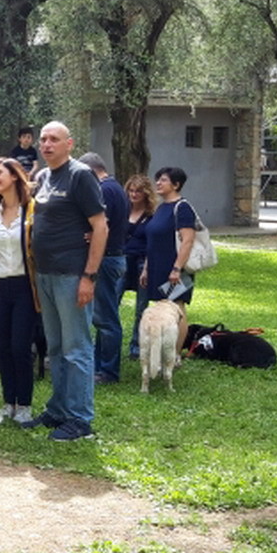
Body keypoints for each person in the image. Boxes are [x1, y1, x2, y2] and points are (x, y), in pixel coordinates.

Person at [20, 122, 107, 441]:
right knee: (55, 348)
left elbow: (100, 227)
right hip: (45, 274)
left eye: (54, 139)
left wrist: (89, 276)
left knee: (76, 349)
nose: (46, 144)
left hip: (72, 275)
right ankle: (58, 410)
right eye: (43, 139)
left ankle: (80, 419)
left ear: (69, 144)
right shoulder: (43, 177)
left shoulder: (80, 175)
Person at [0, 157, 39, 425]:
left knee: (20, 347)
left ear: (14, 176)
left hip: (25, 286)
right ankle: (7, 402)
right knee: (2, 347)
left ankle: (24, 405)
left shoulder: (33, 208)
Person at [77, 152, 128, 385]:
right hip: (114, 257)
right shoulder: (115, 187)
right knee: (103, 317)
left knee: (106, 318)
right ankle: (99, 366)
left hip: (107, 259)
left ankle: (108, 370)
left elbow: (100, 226)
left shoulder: (105, 190)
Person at [141, 166, 196, 354]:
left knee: (176, 309)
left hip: (174, 268)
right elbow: (153, 241)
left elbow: (188, 241)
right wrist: (146, 268)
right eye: (157, 179)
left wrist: (177, 268)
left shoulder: (183, 208)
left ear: (176, 185)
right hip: (157, 266)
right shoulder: (161, 208)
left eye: (163, 180)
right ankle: (162, 351)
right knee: (161, 309)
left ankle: (175, 354)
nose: (158, 183)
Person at [123, 174, 156, 359]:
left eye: (138, 191)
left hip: (142, 261)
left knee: (141, 308)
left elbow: (153, 244)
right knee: (111, 301)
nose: (134, 194)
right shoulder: (123, 210)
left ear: (146, 194)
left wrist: (147, 269)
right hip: (123, 260)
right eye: (131, 190)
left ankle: (136, 346)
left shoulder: (151, 216)